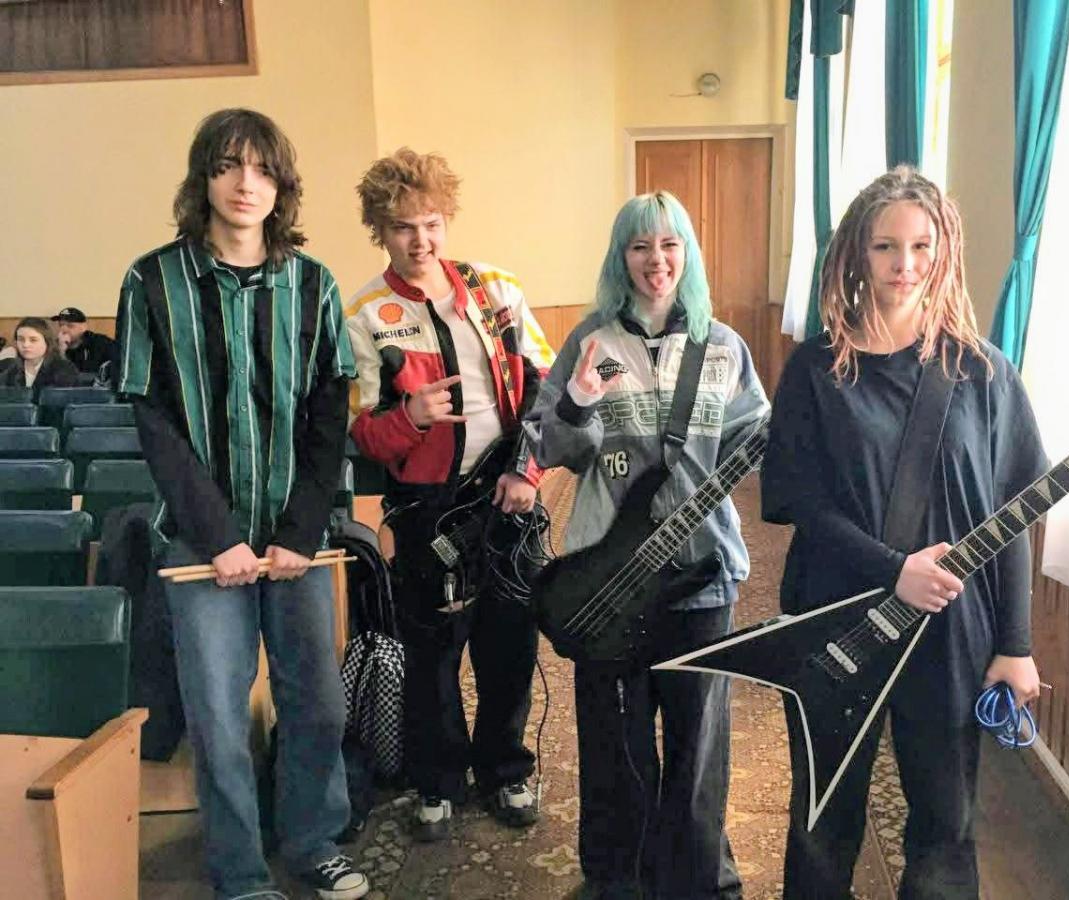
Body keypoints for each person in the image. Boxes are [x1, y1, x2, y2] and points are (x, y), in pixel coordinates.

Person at [762, 166, 1048, 900]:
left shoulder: (984, 373)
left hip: (952, 628)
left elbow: (1010, 517)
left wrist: (1015, 644)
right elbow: (800, 503)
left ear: (943, 251)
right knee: (824, 813)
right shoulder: (817, 368)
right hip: (834, 614)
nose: (904, 264)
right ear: (857, 253)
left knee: (945, 822)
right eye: (886, 246)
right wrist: (894, 569)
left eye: (921, 246)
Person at [115, 108, 368, 900]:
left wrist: (301, 530)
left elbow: (329, 416)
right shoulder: (151, 281)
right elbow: (153, 419)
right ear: (204, 179)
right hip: (201, 543)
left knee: (317, 705)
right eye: (227, 165)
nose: (245, 183)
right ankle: (239, 873)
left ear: (281, 185)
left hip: (296, 540)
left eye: (261, 169)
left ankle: (313, 841)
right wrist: (219, 534)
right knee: (219, 721)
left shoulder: (315, 284)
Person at [524, 190, 769, 900]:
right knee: (613, 741)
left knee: (698, 741)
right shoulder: (593, 343)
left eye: (669, 244)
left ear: (686, 253)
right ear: (620, 257)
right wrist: (576, 402)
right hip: (607, 572)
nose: (655, 260)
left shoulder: (723, 348)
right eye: (640, 246)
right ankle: (616, 876)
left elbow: (758, 435)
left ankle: (697, 877)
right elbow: (551, 446)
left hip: (703, 573)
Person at [345, 147, 554, 841]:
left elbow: (548, 391)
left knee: (510, 644)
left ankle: (505, 770)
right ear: (381, 231)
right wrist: (411, 418)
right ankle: (437, 782)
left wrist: (527, 471)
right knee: (431, 657)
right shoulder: (365, 314)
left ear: (447, 219)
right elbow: (361, 435)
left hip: (507, 496)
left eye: (431, 223)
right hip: (426, 511)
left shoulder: (497, 289)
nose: (421, 241)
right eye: (403, 227)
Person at [0, 316, 79, 396]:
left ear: (47, 342)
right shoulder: (7, 367)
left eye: (33, 340)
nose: (26, 345)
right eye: (21, 339)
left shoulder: (64, 368)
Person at [52, 306, 119, 377]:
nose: (64, 330)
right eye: (61, 325)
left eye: (70, 326)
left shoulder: (100, 343)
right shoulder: (54, 346)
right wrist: (61, 351)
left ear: (84, 327)